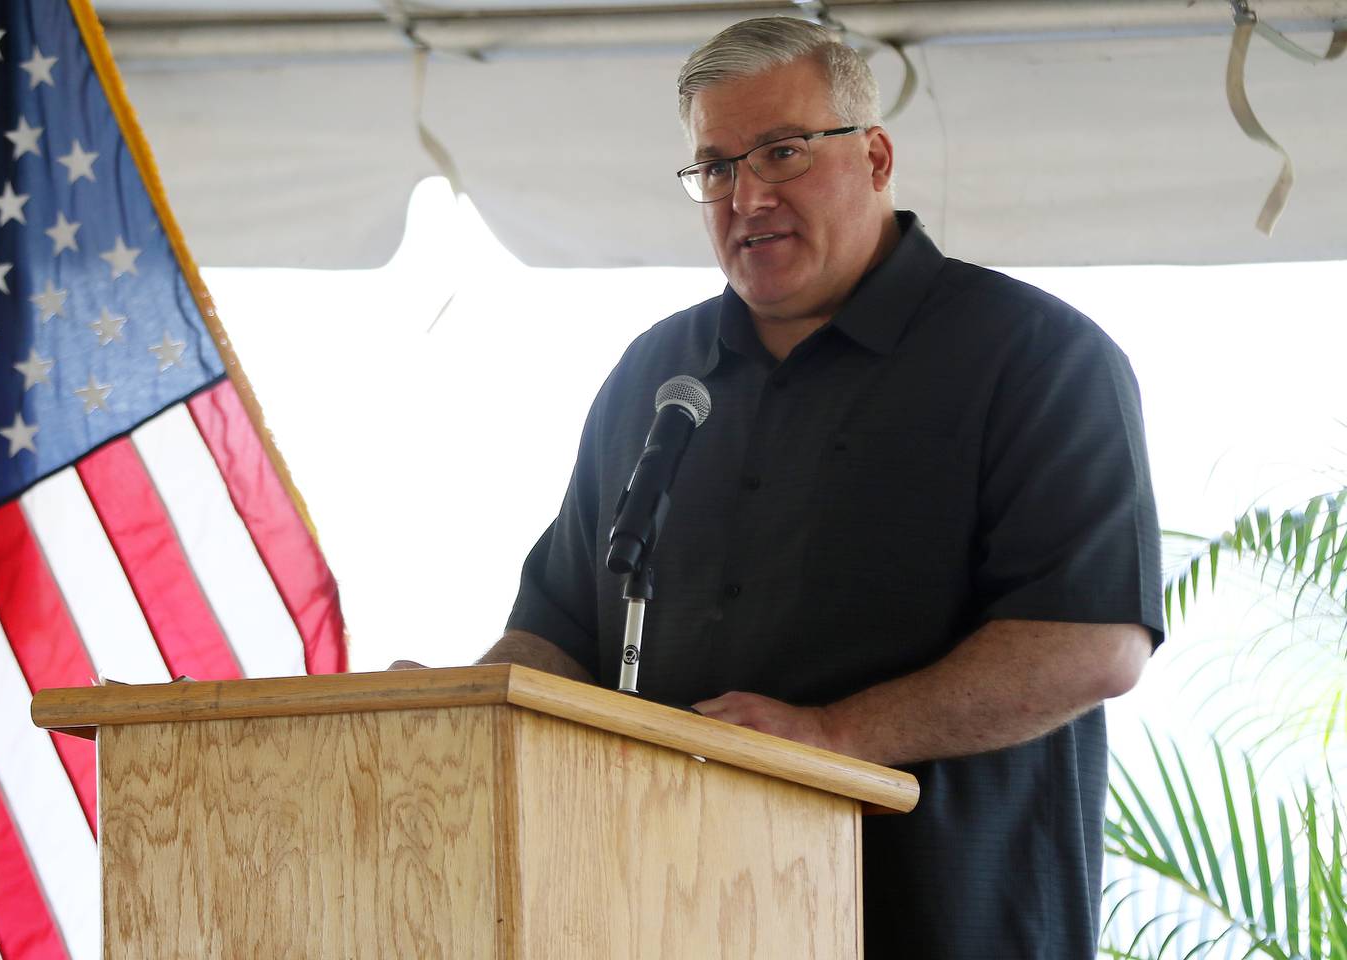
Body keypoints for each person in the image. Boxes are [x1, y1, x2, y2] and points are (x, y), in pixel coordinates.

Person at [396, 16, 1162, 958]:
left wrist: (833, 735)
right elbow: (560, 629)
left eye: (783, 153)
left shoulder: (1036, 357)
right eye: (715, 168)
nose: (747, 196)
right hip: (670, 916)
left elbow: (1091, 643)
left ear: (875, 156)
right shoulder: (656, 374)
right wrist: (460, 713)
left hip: (947, 921)